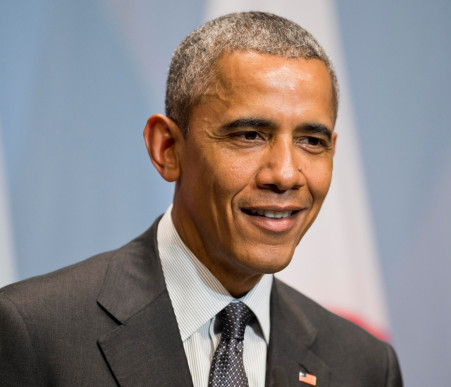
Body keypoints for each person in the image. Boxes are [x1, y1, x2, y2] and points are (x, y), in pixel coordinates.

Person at [0, 12, 402, 387]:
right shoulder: (33, 333)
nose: (284, 174)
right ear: (168, 148)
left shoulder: (365, 366)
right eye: (250, 135)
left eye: (311, 141)